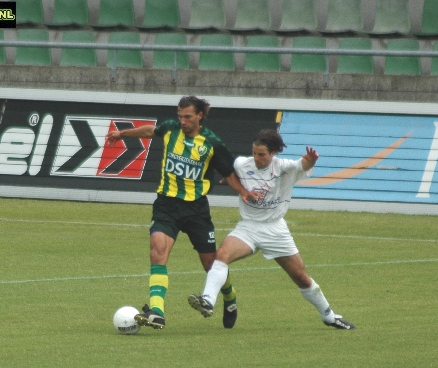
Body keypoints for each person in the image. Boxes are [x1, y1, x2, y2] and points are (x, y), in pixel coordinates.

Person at [106, 96, 257, 330]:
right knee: (158, 250)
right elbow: (150, 131)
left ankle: (230, 297)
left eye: (187, 117)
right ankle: (157, 310)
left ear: (200, 116)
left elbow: (228, 173)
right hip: (166, 204)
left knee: (211, 265)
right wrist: (122, 134)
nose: (183, 121)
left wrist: (243, 192)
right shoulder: (170, 129)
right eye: (180, 116)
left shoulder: (212, 143)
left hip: (196, 210)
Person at [187, 129, 355, 330]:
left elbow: (303, 165)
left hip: (276, 230)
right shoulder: (242, 163)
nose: (257, 158)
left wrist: (311, 160)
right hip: (248, 227)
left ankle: (329, 316)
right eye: (254, 153)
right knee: (221, 256)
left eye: (262, 155)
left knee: (301, 277)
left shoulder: (284, 167)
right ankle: (207, 301)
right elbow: (229, 174)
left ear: (273, 153)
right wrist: (232, 183)